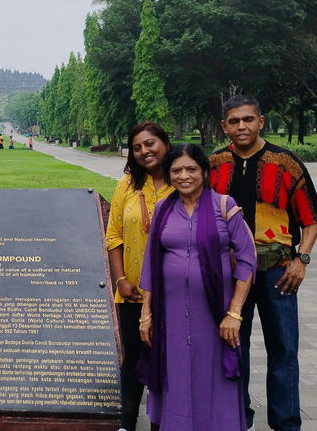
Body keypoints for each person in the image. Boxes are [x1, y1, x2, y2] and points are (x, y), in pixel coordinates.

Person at [209, 95, 317, 431]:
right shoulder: (214, 165)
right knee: (232, 347)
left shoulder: (285, 162)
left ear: (261, 121)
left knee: (283, 350)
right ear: (224, 126)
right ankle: (235, 420)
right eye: (234, 121)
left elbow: (311, 217)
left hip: (278, 272)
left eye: (248, 119)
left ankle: (286, 423)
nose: (241, 126)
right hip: (230, 274)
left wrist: (301, 259)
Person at [138, 143, 257, 431]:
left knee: (214, 375)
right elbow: (151, 264)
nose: (184, 176)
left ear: (204, 171)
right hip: (172, 315)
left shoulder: (224, 206)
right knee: (176, 372)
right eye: (176, 170)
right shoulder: (163, 211)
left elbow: (246, 261)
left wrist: (235, 313)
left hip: (215, 313)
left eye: (191, 169)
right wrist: (146, 313)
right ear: (169, 175)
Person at [106, 122, 174, 431]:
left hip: (174, 289)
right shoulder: (126, 185)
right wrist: (120, 279)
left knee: (168, 355)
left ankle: (164, 422)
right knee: (133, 355)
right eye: (137, 147)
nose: (145, 151)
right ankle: (126, 423)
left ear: (165, 143)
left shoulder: (183, 180)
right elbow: (114, 237)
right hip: (131, 290)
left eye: (150, 143)